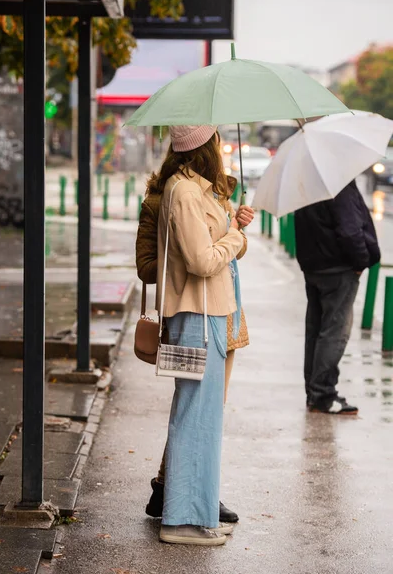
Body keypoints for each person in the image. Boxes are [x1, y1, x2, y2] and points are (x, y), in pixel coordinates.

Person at [136, 124, 254, 546]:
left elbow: (218, 249)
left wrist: (233, 226)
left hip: (214, 312)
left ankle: (197, 514)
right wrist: (233, 235)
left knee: (205, 417)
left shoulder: (201, 191)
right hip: (197, 314)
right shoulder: (184, 193)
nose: (222, 148)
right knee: (194, 417)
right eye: (218, 141)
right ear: (207, 147)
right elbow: (203, 261)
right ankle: (181, 519)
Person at [295, 180, 381, 415]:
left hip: (314, 267)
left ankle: (314, 393)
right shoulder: (338, 183)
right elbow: (350, 230)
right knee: (334, 332)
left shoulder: (306, 183)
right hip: (338, 268)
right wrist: (361, 262)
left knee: (316, 331)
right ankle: (323, 394)